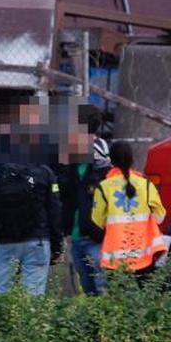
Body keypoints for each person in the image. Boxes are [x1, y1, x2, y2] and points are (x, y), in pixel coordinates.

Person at [0, 136, 62, 295]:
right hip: (38, 240)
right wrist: (57, 245)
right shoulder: (44, 172)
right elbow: (55, 211)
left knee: (0, 295)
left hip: (4, 241)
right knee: (33, 297)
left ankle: (2, 320)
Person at [91, 141, 167, 281]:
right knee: (144, 299)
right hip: (144, 257)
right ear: (132, 159)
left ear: (111, 161)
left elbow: (97, 221)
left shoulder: (103, 187)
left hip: (115, 259)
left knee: (118, 300)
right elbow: (160, 217)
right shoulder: (146, 185)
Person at [58, 108, 110, 295]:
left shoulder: (101, 156)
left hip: (95, 235)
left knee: (101, 288)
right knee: (88, 289)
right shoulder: (71, 161)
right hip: (76, 233)